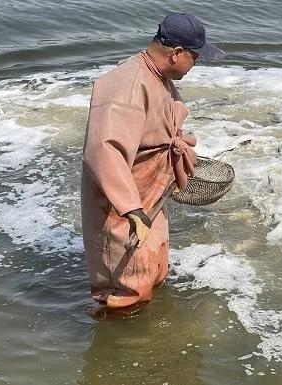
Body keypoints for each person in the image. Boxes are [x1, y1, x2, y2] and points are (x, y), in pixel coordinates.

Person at [81, 12, 225, 317]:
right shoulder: (127, 87)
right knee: (125, 287)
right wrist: (132, 210)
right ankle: (117, 350)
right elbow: (104, 151)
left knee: (154, 270)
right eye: (195, 58)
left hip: (149, 195)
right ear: (176, 53)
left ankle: (147, 338)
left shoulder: (158, 77)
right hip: (122, 204)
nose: (195, 66)